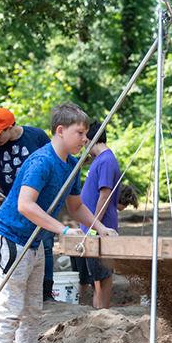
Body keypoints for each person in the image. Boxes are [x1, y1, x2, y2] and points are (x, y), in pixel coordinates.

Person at [0, 103, 118, 343]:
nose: (85, 138)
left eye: (85, 133)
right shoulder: (41, 161)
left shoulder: (71, 164)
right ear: (60, 130)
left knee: (32, 310)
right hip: (10, 237)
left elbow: (77, 206)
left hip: (34, 242)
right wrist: (63, 230)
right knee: (10, 309)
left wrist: (99, 228)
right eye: (80, 132)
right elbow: (25, 204)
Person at [0, 107, 56, 301]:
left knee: (44, 245)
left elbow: (52, 164)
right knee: (17, 247)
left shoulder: (36, 136)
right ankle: (19, 290)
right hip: (12, 205)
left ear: (9, 127)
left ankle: (46, 293)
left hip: (38, 202)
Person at [73, 121, 121, 310]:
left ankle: (103, 312)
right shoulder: (100, 160)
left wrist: (95, 226)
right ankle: (99, 312)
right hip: (92, 227)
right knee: (95, 276)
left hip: (100, 227)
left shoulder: (106, 160)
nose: (84, 146)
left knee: (102, 274)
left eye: (85, 141)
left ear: (91, 140)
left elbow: (105, 195)